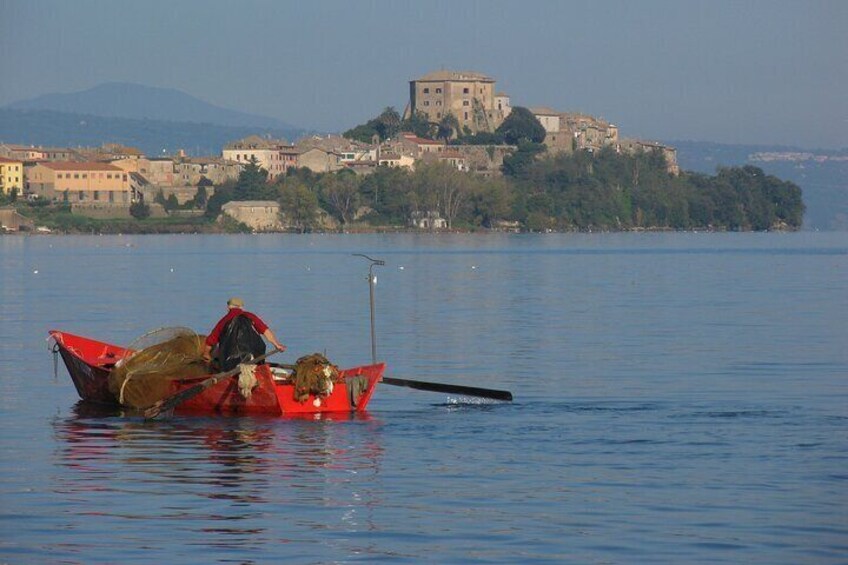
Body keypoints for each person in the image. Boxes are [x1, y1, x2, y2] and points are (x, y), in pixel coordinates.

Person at [203, 297, 285, 368]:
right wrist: (276, 345)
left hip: (230, 362)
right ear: (242, 307)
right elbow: (266, 331)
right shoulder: (250, 316)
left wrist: (206, 354)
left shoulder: (224, 320)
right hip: (254, 358)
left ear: (228, 308)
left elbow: (210, 341)